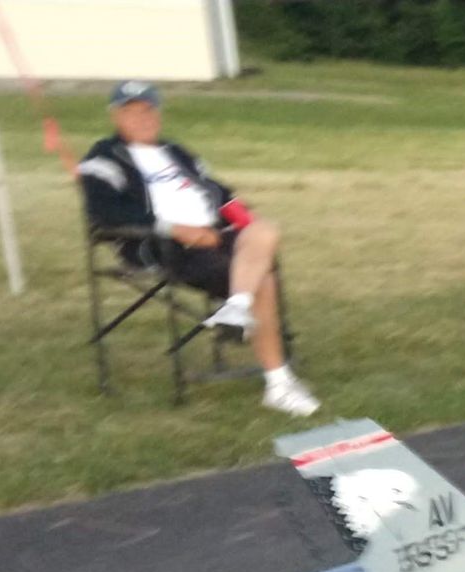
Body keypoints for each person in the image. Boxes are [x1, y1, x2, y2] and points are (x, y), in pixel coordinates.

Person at [77, 81, 321, 417]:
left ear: (158, 114)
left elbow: (222, 195)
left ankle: (236, 308)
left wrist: (244, 221)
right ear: (115, 116)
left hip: (214, 234)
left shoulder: (177, 153)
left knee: (265, 230)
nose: (142, 118)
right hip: (164, 245)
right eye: (131, 111)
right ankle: (278, 383)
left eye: (148, 110)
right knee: (262, 278)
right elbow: (106, 213)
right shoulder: (102, 160)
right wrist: (177, 229)